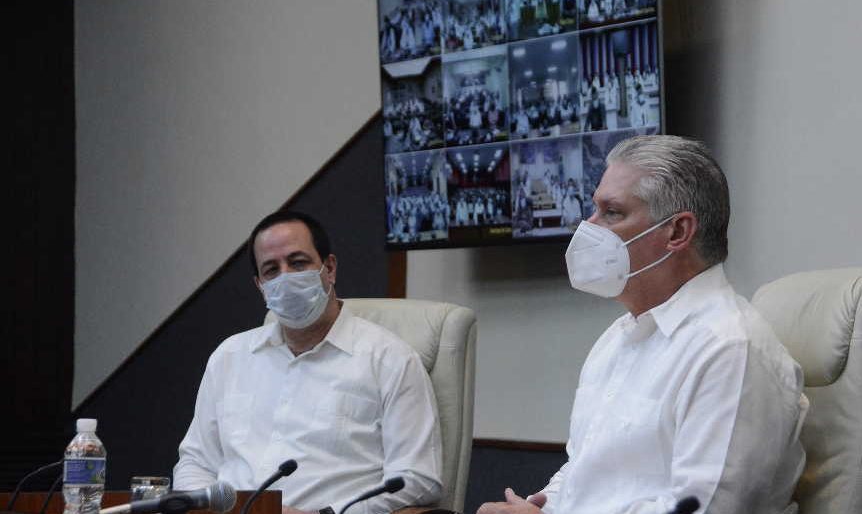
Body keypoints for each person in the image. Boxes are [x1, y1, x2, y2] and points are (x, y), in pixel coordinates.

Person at [478, 135, 807, 514]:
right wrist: (545, 506)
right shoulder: (618, 338)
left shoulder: (729, 349)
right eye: (594, 210)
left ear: (677, 232)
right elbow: (585, 470)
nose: (589, 226)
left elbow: (705, 510)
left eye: (612, 212)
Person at [174, 211, 443, 514]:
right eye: (271, 270)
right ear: (260, 285)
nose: (285, 277)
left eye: (298, 263)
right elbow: (196, 463)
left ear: (329, 269)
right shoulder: (230, 356)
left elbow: (417, 478)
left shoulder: (390, 359)